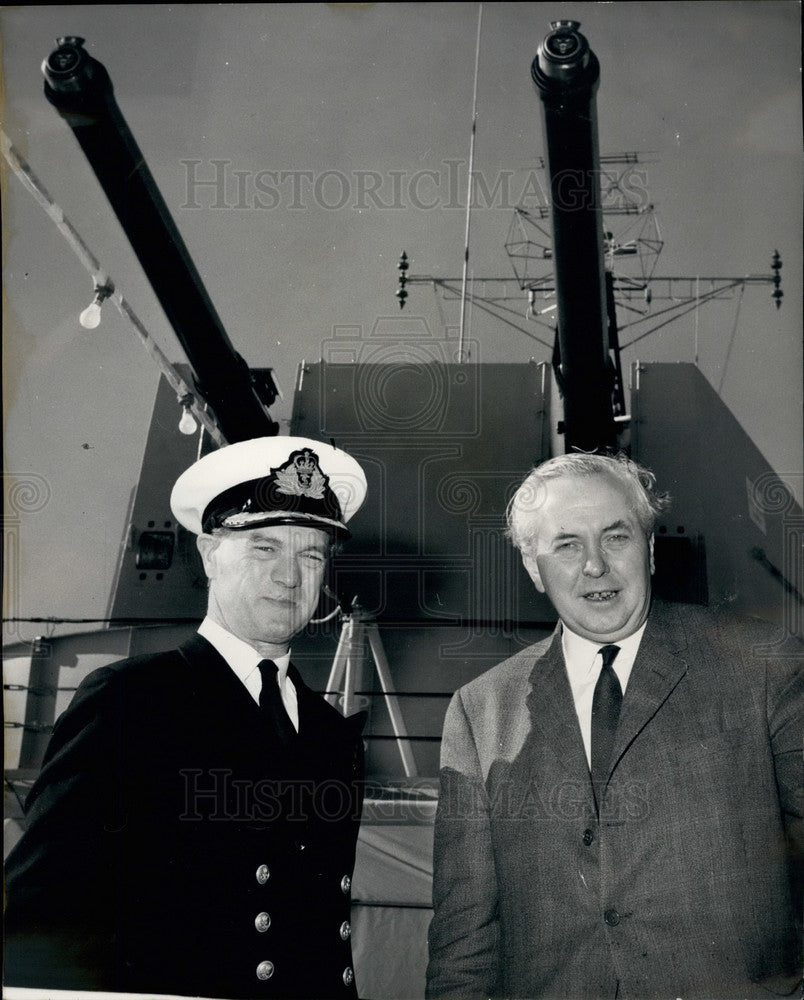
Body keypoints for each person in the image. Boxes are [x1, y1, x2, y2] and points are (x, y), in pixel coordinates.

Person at [426, 452, 803, 999]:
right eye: (567, 544)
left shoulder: (763, 666)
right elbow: (464, 942)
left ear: (649, 550)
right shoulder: (481, 710)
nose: (595, 566)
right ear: (533, 566)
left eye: (616, 537)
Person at [5, 436, 369, 999]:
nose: (290, 577)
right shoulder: (131, 700)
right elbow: (40, 918)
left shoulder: (330, 733)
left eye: (311, 555)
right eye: (264, 548)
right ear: (208, 554)